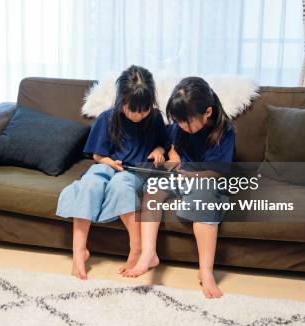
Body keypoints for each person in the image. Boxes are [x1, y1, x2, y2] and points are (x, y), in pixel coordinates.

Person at [123, 76, 235, 300]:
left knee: (204, 196)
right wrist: (171, 153)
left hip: (207, 178)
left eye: (187, 122)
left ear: (208, 112)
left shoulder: (224, 131)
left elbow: (218, 171)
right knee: (153, 187)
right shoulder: (178, 127)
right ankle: (148, 254)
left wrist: (190, 174)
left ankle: (205, 270)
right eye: (179, 121)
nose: (182, 126)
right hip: (180, 175)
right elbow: (169, 145)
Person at [56, 65, 169, 279]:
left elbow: (165, 144)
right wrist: (109, 162)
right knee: (90, 184)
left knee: (121, 184)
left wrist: (158, 150)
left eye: (144, 110)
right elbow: (97, 156)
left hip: (135, 172)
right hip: (109, 165)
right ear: (121, 100)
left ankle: (138, 250)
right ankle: (79, 251)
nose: (138, 115)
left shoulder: (154, 119)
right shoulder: (107, 118)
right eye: (132, 110)